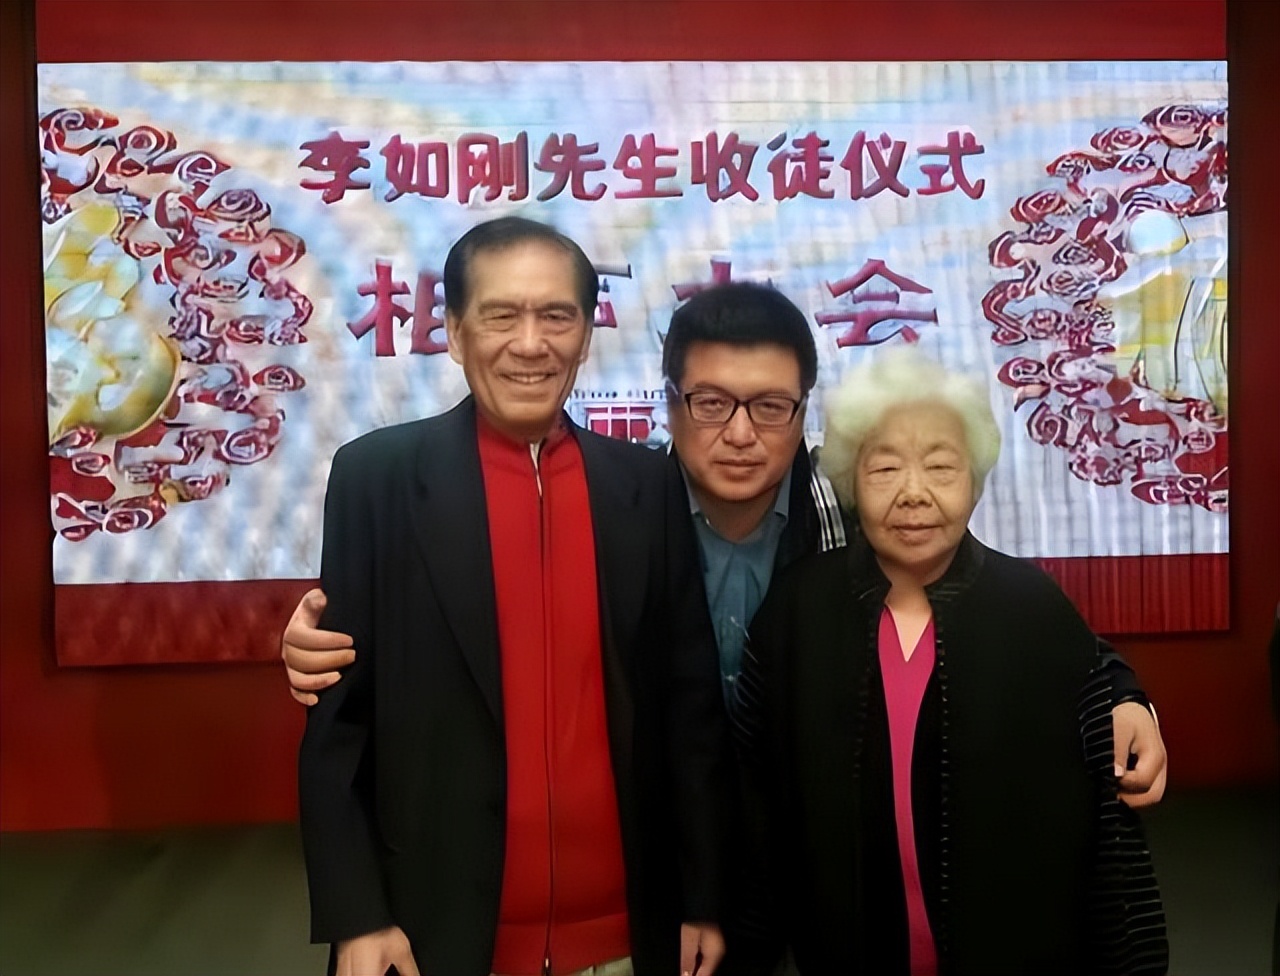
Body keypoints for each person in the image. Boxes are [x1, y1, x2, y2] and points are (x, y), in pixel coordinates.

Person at [287, 283, 1168, 806]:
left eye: (770, 407)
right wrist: (327, 642)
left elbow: (987, 600)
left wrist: (1123, 694)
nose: (740, 434)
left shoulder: (852, 504)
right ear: (669, 406)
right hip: (658, 829)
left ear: (804, 411)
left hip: (823, 822)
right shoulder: (612, 505)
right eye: (710, 404)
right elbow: (478, 616)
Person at [298, 216, 732, 976]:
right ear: (454, 333)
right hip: (433, 936)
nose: (530, 344)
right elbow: (339, 725)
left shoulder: (645, 484)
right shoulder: (378, 478)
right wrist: (358, 915)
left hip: (628, 934)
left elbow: (688, 709)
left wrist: (702, 897)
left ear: (586, 335)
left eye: (557, 316)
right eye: (501, 316)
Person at [733, 348, 1168, 975]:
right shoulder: (799, 609)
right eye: (885, 468)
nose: (914, 494)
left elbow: (1108, 827)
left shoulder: (1032, 607)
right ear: (851, 481)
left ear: (975, 480)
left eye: (940, 467)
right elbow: (757, 800)